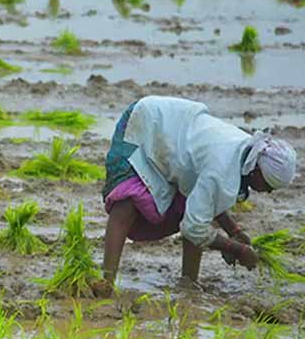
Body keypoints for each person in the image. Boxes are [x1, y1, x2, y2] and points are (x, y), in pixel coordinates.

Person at [93, 96, 297, 297]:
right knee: (127, 202)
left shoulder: (245, 151)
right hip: (145, 123)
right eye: (269, 186)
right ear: (257, 171)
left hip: (173, 135)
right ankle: (106, 282)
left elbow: (206, 201)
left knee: (195, 212)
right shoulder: (223, 166)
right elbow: (193, 227)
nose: (268, 192)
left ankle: (188, 283)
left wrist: (233, 230)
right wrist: (236, 249)